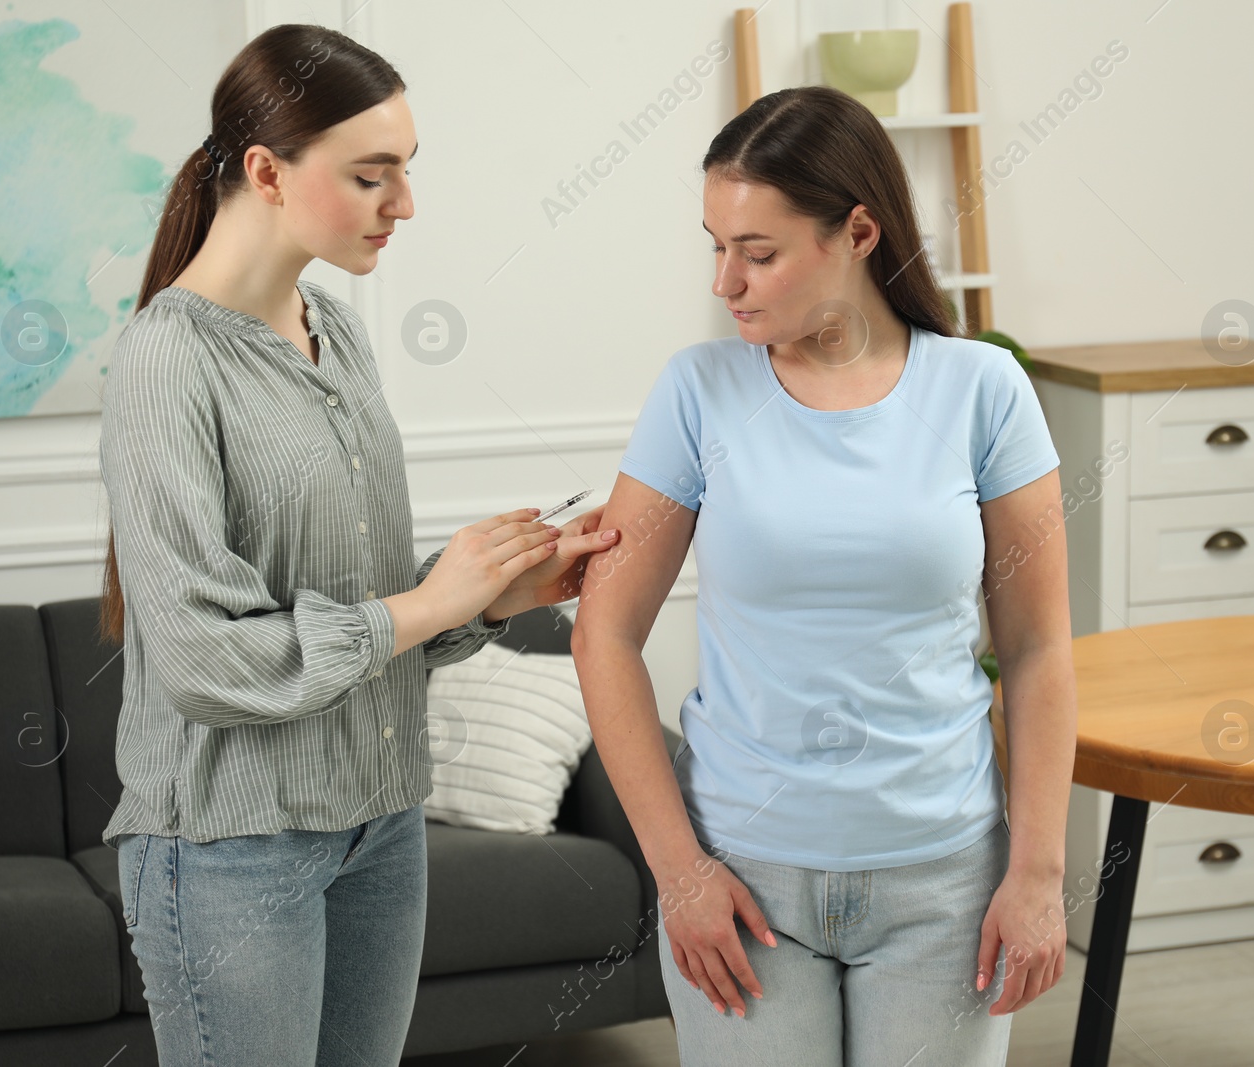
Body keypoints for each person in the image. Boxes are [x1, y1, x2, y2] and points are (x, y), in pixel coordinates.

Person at [95, 25, 620, 1067]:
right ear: (265, 171)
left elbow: (364, 610)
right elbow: (206, 659)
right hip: (230, 847)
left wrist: (488, 597)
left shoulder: (337, 327)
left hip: (380, 823)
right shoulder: (164, 358)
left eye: (407, 173)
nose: (405, 204)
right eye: (372, 176)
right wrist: (431, 602)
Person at [571, 85, 1078, 1065]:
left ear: (855, 231)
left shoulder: (982, 391)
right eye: (715, 245)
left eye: (757, 252)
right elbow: (604, 631)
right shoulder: (697, 392)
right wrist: (677, 873)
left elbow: (1037, 643)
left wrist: (1038, 873)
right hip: (742, 876)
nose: (727, 280)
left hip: (943, 883)